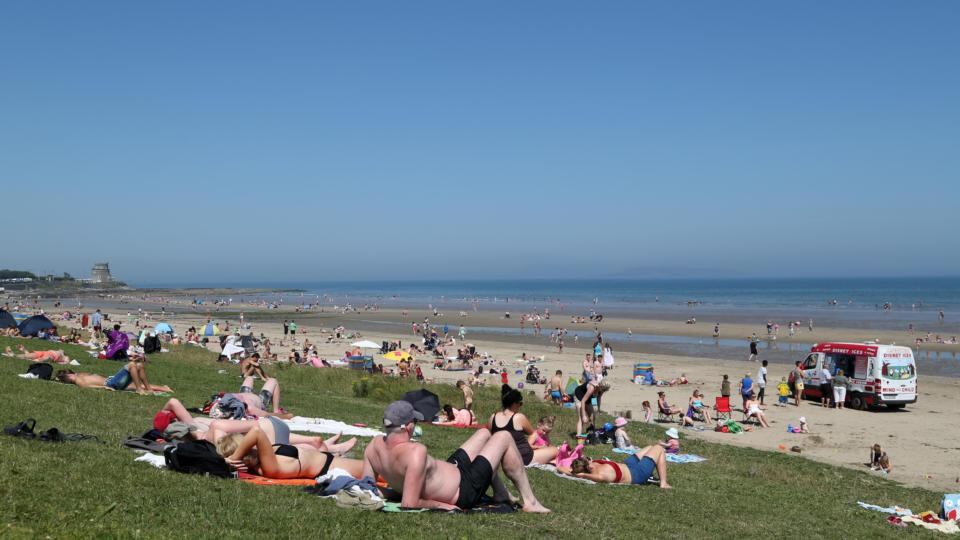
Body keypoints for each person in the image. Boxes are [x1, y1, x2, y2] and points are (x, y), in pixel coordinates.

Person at [361, 400, 550, 512]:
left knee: (484, 434)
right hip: (463, 490)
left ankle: (501, 494)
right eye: (415, 421)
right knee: (504, 436)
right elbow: (409, 504)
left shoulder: (373, 447)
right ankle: (530, 502)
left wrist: (396, 491)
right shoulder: (415, 452)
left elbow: (368, 488)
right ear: (409, 426)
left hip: (452, 469)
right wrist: (439, 505)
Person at [217, 427, 363, 479]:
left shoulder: (262, 457)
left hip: (327, 459)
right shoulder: (267, 466)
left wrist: (230, 460)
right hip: (330, 466)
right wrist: (235, 458)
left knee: (381, 467)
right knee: (380, 468)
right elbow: (256, 431)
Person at [488, 385, 558, 466]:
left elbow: (491, 436)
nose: (520, 406)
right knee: (555, 450)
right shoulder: (518, 417)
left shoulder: (493, 417)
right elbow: (533, 433)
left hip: (502, 456)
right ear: (514, 403)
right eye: (520, 403)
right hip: (523, 457)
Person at [558, 446, 671, 489]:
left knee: (650, 447)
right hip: (637, 474)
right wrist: (582, 475)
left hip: (628, 465)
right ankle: (663, 483)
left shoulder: (591, 465)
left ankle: (652, 474)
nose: (590, 458)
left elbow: (559, 467)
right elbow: (595, 477)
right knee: (659, 448)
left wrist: (575, 473)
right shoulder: (601, 475)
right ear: (587, 464)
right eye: (588, 458)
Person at [54, 362, 172, 394]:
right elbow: (88, 387)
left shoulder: (79, 375)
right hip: (110, 383)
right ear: (68, 376)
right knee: (132, 365)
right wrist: (104, 388)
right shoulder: (77, 379)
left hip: (112, 380)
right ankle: (140, 390)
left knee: (139, 365)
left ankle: (161, 388)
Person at [4, 345, 71, 364]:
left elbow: (66, 362)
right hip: (43, 352)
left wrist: (60, 362)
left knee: (46, 358)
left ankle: (14, 354)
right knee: (28, 356)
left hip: (51, 356)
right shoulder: (59, 351)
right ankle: (13, 355)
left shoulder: (66, 357)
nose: (61, 350)